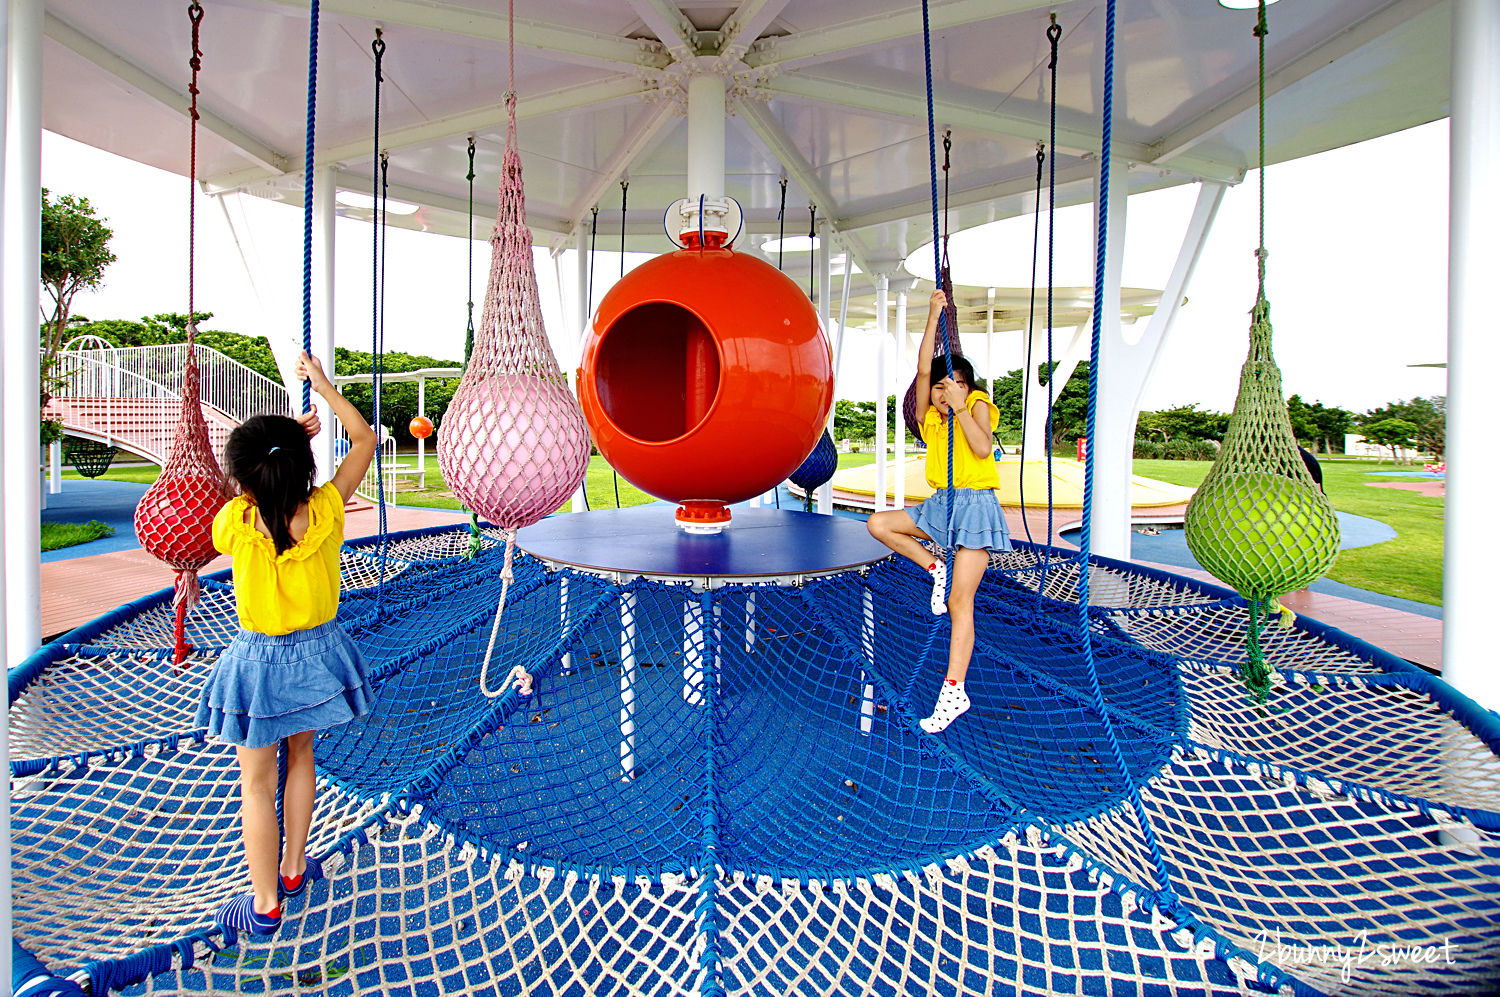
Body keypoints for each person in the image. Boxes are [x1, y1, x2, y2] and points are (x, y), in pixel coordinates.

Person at [196, 350, 377, 937]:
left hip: (259, 663)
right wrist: (321, 387)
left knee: (256, 783)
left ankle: (266, 900)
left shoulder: (235, 521)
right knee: (303, 759)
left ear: (246, 478)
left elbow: (250, 487)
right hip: (319, 655)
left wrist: (278, 450)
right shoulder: (327, 507)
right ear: (303, 465)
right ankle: (295, 866)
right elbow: (363, 438)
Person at [867, 290, 1011, 733]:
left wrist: (965, 404)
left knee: (958, 603)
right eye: (940, 388)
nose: (944, 391)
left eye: (955, 385)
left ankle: (954, 691)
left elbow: (983, 447)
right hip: (941, 504)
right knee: (879, 523)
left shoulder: (979, 407)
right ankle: (934, 565)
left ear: (969, 387)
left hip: (976, 508)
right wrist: (932, 314)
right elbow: (923, 367)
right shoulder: (932, 420)